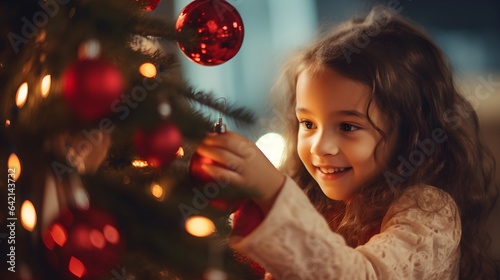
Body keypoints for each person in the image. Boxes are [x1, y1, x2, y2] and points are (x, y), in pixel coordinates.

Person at [195, 6, 499, 280]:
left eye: (348, 126)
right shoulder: (315, 200)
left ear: (411, 132)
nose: (319, 147)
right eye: (308, 124)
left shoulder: (430, 211)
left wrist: (274, 191)